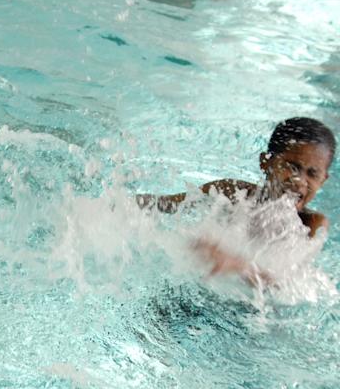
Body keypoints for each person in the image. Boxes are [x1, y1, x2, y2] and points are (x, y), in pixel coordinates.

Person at [137, 118, 334, 283]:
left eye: (312, 174)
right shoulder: (232, 193)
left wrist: (237, 266)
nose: (299, 181)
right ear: (266, 162)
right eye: (292, 167)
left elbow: (287, 284)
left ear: (323, 179)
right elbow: (167, 205)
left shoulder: (311, 225)